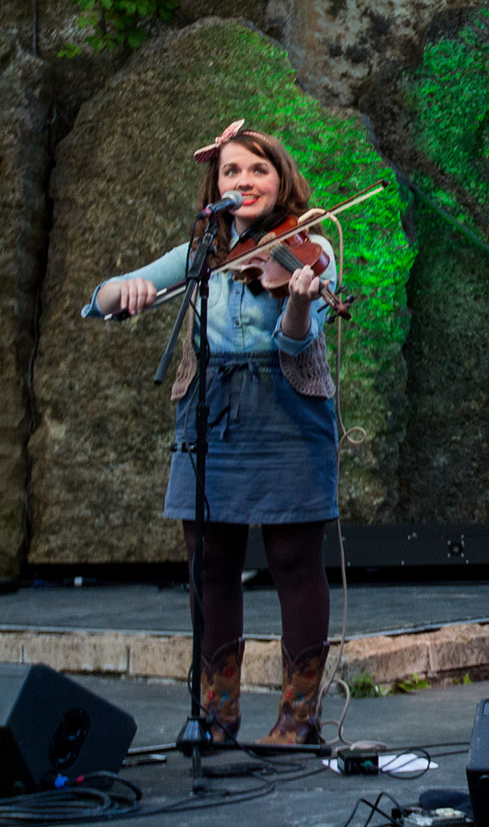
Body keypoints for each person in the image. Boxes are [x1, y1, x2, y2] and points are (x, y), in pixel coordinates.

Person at [85, 121, 341, 746]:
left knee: (293, 560)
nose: (245, 180)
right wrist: (129, 291)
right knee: (210, 562)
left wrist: (302, 302)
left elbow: (295, 342)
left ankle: (298, 718)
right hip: (210, 405)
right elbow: (101, 297)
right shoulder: (202, 248)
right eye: (232, 171)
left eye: (258, 169)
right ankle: (216, 714)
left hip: (287, 405)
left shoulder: (311, 245)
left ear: (280, 179)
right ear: (216, 183)